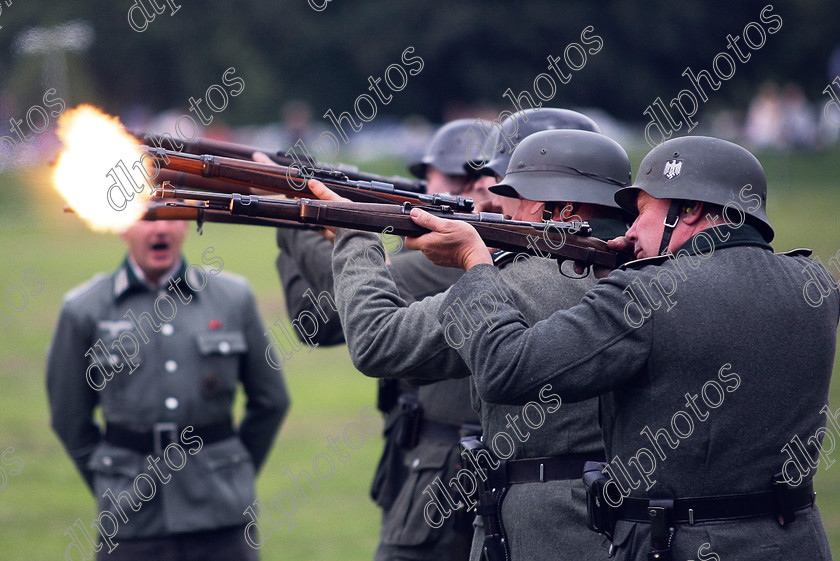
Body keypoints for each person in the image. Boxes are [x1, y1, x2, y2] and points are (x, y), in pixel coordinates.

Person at [404, 135, 838, 561]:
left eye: (643, 211)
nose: (630, 230)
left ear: (689, 212)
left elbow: (506, 369)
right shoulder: (816, 284)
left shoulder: (643, 296)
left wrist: (476, 266)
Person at [318, 115, 634, 561]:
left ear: (562, 211)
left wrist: (356, 235)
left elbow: (376, 339)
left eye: (516, 195)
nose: (500, 207)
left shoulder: (515, 284)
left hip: (537, 533)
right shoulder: (657, 274)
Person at [271, 118, 488, 561]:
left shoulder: (450, 262)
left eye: (441, 176)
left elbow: (334, 310)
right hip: (422, 460)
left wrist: (296, 215)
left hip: (447, 472)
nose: (425, 184)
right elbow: (313, 322)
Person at [47, 219, 290, 561]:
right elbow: (68, 415)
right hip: (130, 520)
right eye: (146, 218)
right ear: (121, 225)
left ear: (188, 222)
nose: (159, 229)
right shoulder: (84, 308)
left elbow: (271, 400)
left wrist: (231, 468)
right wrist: (110, 477)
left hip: (221, 517)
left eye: (171, 214)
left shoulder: (232, 297)